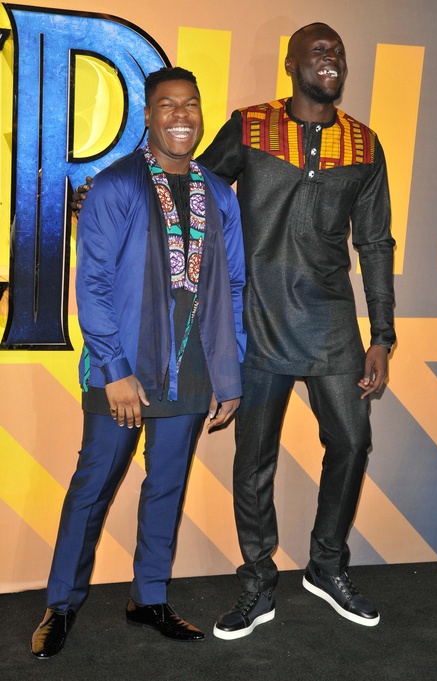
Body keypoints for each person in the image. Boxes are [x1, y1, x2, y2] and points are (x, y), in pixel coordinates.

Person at [31, 66, 246, 658]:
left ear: (200, 115)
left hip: (191, 370)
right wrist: (114, 371)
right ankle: (60, 605)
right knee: (92, 489)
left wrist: (228, 372)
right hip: (121, 374)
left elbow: (233, 285)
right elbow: (93, 285)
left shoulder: (219, 194)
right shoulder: (116, 186)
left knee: (166, 488)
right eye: (168, 105)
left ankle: (149, 598)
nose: (181, 115)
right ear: (148, 116)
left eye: (190, 104)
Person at [196, 22, 396, 639]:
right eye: (318, 51)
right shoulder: (250, 126)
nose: (330, 58)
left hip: (331, 322)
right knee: (253, 458)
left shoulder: (363, 144)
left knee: (353, 441)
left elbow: (375, 242)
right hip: (257, 320)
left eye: (337, 51)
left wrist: (382, 334)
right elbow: (193, 191)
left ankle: (326, 565)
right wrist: (121, 198)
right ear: (291, 64)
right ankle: (258, 584)